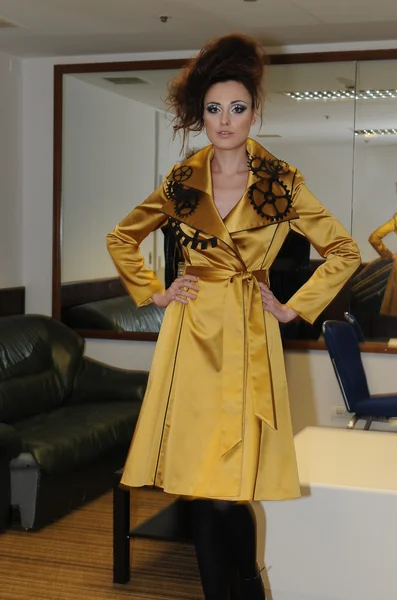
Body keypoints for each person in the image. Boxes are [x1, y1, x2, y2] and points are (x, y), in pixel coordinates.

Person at [107, 33, 361, 600]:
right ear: (202, 114)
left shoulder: (281, 182)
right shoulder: (181, 182)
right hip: (190, 333)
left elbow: (344, 251)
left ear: (255, 112)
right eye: (214, 109)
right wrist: (154, 292)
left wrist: (294, 307)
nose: (225, 121)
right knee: (197, 488)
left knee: (230, 491)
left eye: (238, 108)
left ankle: (248, 590)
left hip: (248, 331)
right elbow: (123, 237)